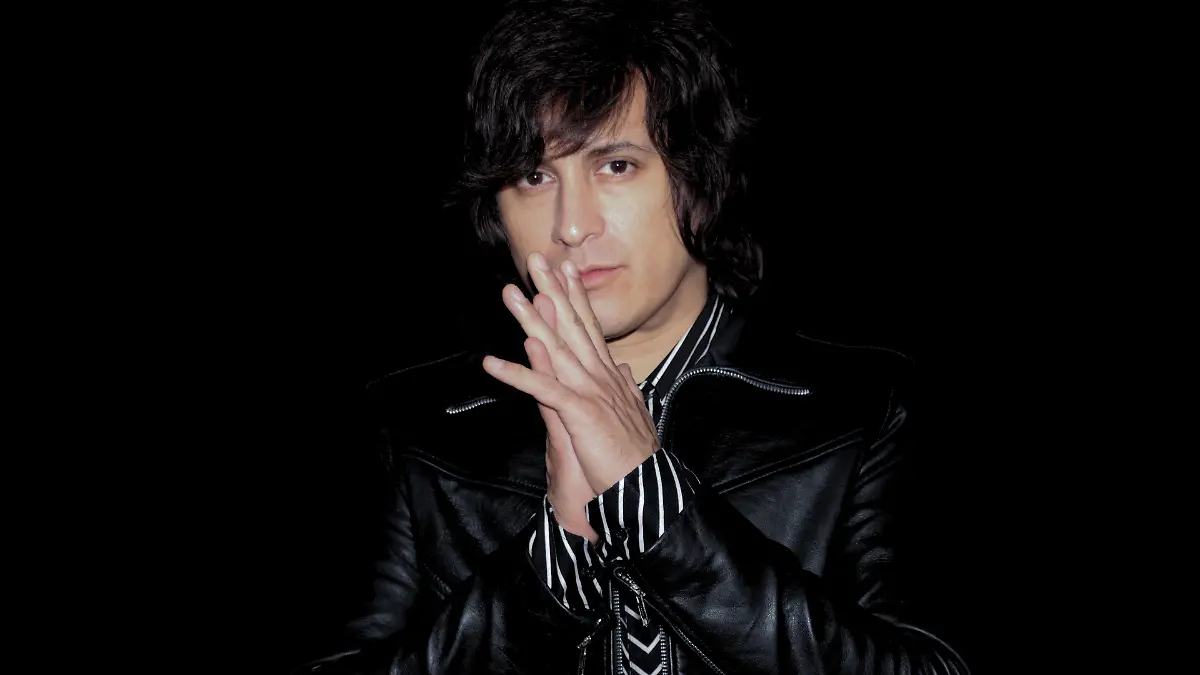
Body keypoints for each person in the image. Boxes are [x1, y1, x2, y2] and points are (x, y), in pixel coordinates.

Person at [295, 0, 969, 673]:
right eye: (534, 176)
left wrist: (651, 498)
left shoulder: (865, 407)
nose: (571, 225)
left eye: (615, 165)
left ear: (700, 178)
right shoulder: (416, 427)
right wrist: (557, 560)